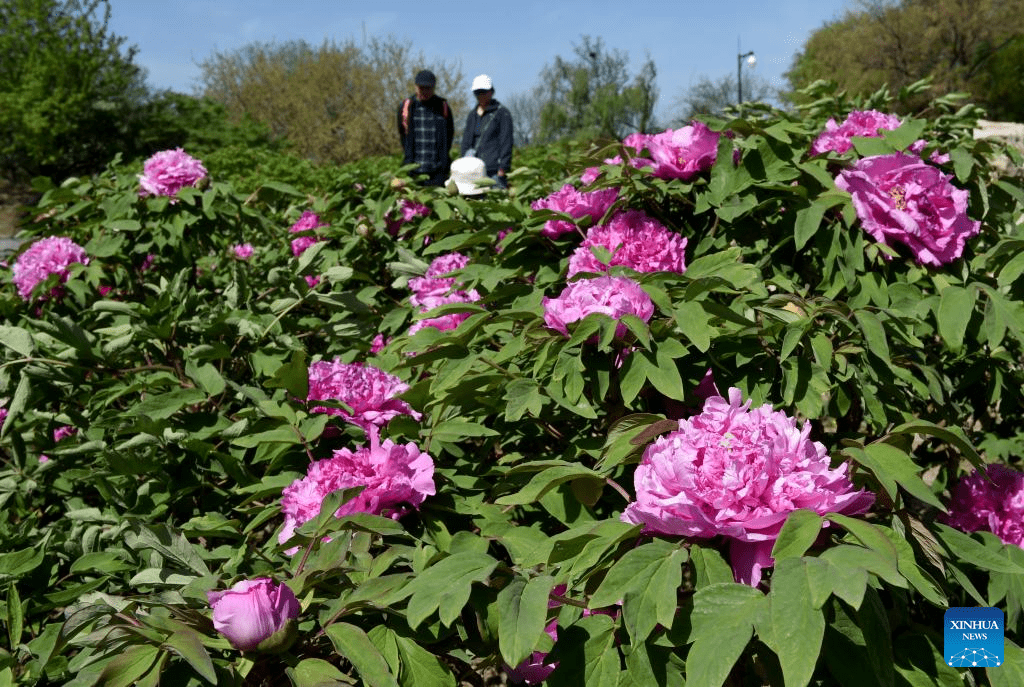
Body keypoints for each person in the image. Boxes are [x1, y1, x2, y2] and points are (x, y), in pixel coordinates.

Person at [398, 69, 455, 187]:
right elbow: (403, 134)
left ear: (434, 88)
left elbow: (449, 135)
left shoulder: (443, 107)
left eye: (428, 88)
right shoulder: (406, 107)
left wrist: (443, 162)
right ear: (415, 86)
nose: (424, 91)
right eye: (421, 88)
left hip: (437, 173)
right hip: (414, 172)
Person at [460, 74, 513, 189]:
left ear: (491, 92)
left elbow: (506, 141)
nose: (481, 95)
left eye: (484, 91)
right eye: (477, 92)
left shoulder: (502, 113)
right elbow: (466, 141)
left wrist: (503, 167)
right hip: (473, 169)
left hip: (493, 169)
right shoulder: (472, 115)